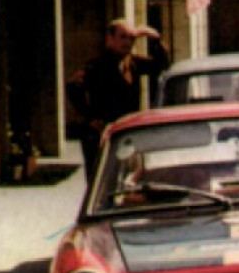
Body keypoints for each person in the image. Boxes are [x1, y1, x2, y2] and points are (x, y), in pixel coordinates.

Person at [69, 19, 171, 180]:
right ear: (110, 39)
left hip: (126, 130)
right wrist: (89, 116)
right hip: (102, 133)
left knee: (126, 179)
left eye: (132, 38)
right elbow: (73, 86)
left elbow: (162, 65)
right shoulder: (97, 66)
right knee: (101, 180)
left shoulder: (133, 63)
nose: (128, 42)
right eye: (123, 37)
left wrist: (155, 38)